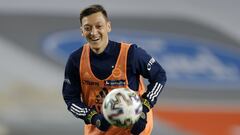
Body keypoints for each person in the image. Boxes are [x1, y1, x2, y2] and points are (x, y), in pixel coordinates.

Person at [62, 4, 167, 135]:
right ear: (82, 31)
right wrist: (93, 118)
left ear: (108, 27)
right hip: (99, 131)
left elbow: (159, 76)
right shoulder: (75, 60)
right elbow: (71, 99)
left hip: (132, 131)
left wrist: (144, 108)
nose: (94, 32)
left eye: (99, 26)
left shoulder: (131, 54)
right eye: (88, 28)